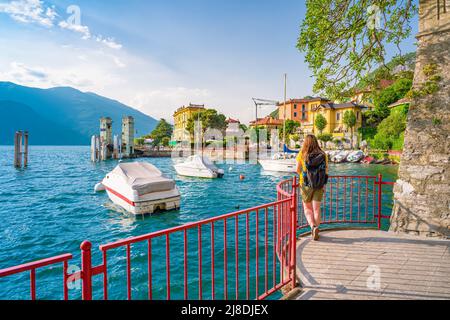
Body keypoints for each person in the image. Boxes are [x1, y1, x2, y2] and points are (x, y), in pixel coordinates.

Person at [296, 135, 329, 241]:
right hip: (319, 184)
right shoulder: (323, 154)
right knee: (316, 209)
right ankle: (317, 228)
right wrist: (323, 184)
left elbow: (297, 169)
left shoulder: (302, 154)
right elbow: (326, 171)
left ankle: (313, 227)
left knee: (307, 208)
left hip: (305, 185)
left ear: (305, 143)